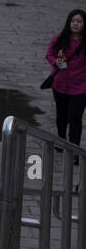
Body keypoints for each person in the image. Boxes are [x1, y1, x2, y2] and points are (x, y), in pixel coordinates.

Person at [45, 9, 86, 147]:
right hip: (60, 85)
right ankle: (61, 140)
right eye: (73, 21)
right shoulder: (60, 38)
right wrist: (55, 61)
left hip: (80, 88)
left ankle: (74, 149)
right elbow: (49, 54)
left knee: (75, 118)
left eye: (79, 21)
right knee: (61, 117)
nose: (75, 24)